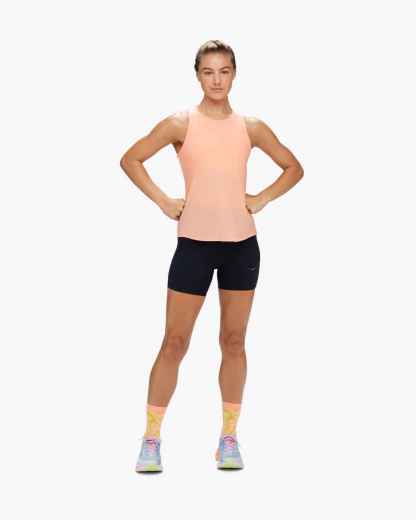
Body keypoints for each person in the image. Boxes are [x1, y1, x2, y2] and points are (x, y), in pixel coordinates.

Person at [120, 40, 304, 472]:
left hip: (242, 246)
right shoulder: (180, 123)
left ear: (234, 74)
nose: (217, 80)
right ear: (198, 76)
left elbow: (294, 167)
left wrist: (263, 197)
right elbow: (131, 159)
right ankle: (151, 438)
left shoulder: (251, 127)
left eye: (224, 71)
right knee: (174, 342)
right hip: (194, 246)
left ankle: (228, 438)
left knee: (234, 341)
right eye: (208, 72)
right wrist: (164, 201)